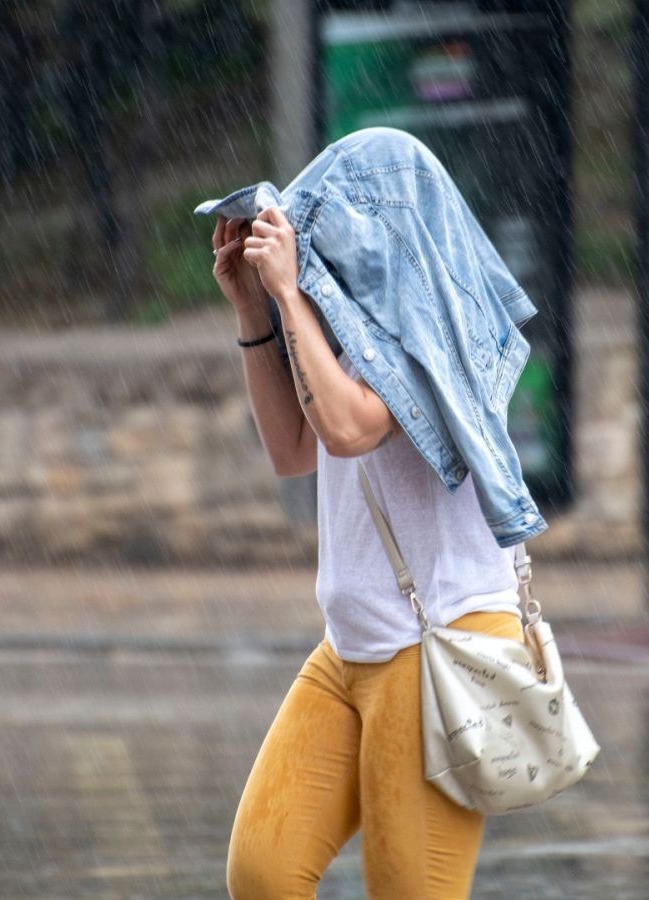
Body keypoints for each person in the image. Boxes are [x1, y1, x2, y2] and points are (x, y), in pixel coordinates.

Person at [207, 130, 537, 897]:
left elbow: (350, 428)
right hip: (351, 646)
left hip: (439, 643)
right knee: (263, 870)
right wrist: (254, 308)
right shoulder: (347, 335)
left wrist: (289, 293)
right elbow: (295, 449)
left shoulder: (434, 332)